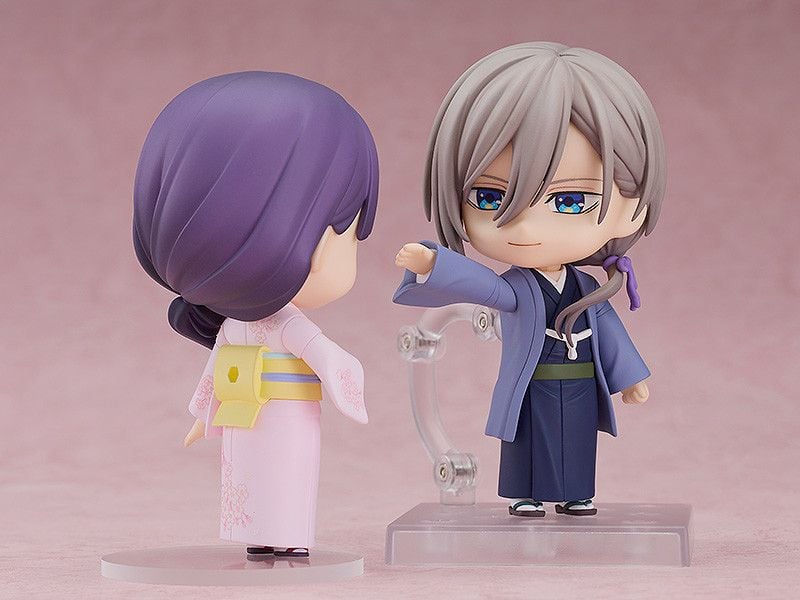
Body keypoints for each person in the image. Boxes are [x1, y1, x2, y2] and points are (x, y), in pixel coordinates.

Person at [394, 42, 665, 517]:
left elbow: (610, 333)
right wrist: (434, 264)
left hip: (579, 381)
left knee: (577, 440)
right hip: (532, 382)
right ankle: (526, 493)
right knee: (527, 439)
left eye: (570, 201)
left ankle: (577, 492)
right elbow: (483, 286)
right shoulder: (518, 288)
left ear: (631, 207)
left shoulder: (588, 289)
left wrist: (630, 378)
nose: (522, 227)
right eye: (488, 197)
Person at [133, 71, 379, 556]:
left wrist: (341, 385)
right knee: (248, 479)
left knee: (283, 475)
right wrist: (206, 413)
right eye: (350, 232)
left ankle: (285, 538)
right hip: (245, 415)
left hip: (284, 417)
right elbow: (223, 371)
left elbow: (327, 358)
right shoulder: (255, 327)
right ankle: (262, 539)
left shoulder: (278, 326)